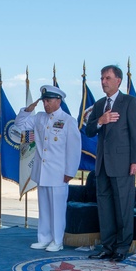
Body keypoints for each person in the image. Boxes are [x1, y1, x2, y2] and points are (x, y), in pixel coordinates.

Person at [83, 65, 136, 262]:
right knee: (105, 207)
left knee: (123, 207)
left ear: (118, 80)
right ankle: (107, 247)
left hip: (123, 164)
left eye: (108, 78)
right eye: (102, 78)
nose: (103, 82)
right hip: (102, 165)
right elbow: (90, 131)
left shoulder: (129, 102)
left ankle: (122, 248)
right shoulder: (100, 104)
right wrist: (100, 120)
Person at [14, 85, 81, 251]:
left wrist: (70, 172)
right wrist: (27, 110)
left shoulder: (68, 121)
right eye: (44, 101)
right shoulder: (39, 118)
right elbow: (19, 126)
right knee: (44, 208)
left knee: (57, 209)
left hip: (59, 172)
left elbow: (73, 149)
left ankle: (57, 241)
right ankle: (44, 238)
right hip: (42, 172)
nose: (45, 104)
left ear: (58, 100)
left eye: (49, 100)